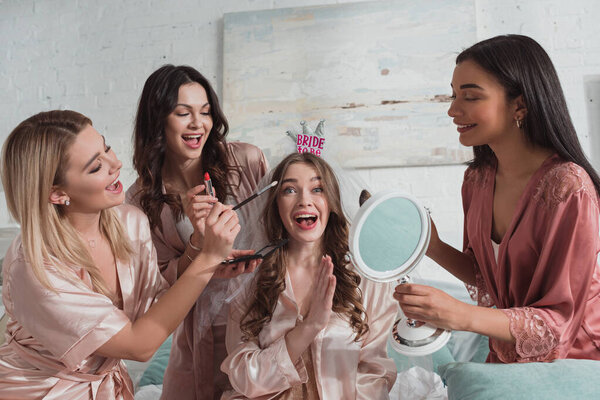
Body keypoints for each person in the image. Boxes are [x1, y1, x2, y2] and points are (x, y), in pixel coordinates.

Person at [0, 110, 256, 399]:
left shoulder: (129, 222)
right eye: (96, 167)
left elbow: (156, 300)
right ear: (57, 194)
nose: (116, 164)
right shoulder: (35, 268)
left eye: (106, 148)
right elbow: (139, 345)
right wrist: (207, 260)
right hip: (39, 391)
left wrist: (201, 251)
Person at [394, 34, 600, 363]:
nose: (452, 109)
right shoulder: (476, 181)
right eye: (453, 95)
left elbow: (559, 322)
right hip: (508, 359)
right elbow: (488, 279)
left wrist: (459, 314)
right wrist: (431, 245)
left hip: (578, 365)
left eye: (470, 96)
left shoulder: (568, 187)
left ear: (519, 104)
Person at [126, 65, 268, 399]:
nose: (198, 124)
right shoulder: (138, 200)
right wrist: (200, 246)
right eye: (182, 113)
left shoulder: (246, 160)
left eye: (205, 112)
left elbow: (277, 229)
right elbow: (159, 284)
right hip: (199, 330)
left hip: (261, 319)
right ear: (158, 119)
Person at [221, 152, 397, 399]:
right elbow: (245, 378)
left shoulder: (366, 279)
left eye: (318, 189)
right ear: (276, 204)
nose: (305, 200)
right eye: (290, 190)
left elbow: (374, 373)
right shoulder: (249, 279)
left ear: (332, 201)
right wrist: (310, 325)